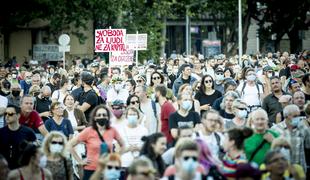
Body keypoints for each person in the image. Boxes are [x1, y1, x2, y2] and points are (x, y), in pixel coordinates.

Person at [68, 105, 124, 180]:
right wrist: (80, 161)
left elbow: (123, 145)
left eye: (104, 115)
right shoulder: (88, 131)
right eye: (99, 115)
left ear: (108, 117)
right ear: (94, 117)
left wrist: (115, 158)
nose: (101, 117)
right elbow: (69, 145)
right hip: (91, 169)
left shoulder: (112, 130)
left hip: (107, 170)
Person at [271, 104, 310, 172]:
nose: (298, 118)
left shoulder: (303, 128)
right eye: (295, 116)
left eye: (298, 115)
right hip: (283, 170)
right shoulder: (275, 129)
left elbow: (308, 145)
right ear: (286, 116)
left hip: (300, 170)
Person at [0, 104, 37, 169]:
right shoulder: (1, 132)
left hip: (22, 170)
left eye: (10, 114)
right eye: (5, 114)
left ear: (18, 116)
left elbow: (34, 152)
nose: (7, 116)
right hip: (4, 170)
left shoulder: (28, 132)